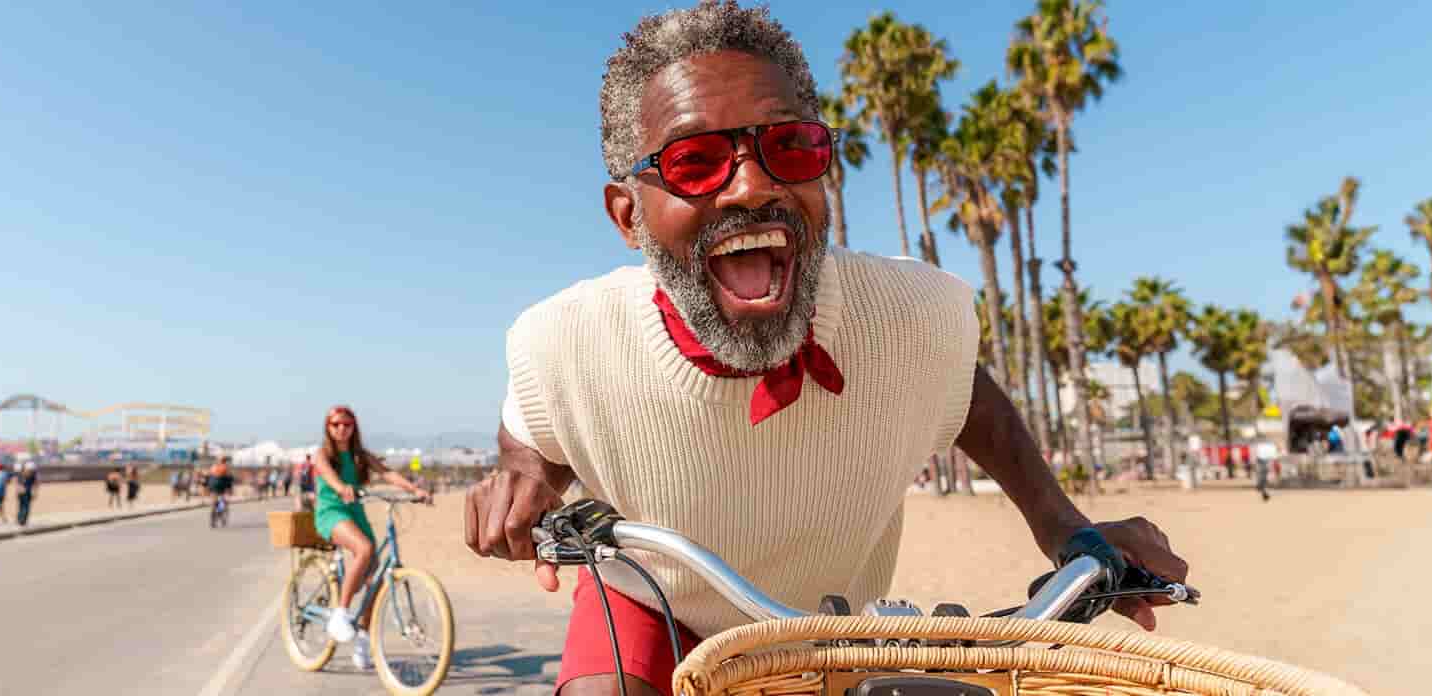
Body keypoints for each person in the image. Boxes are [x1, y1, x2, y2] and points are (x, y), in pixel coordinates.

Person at [462, 6, 1189, 694]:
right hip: (649, 602)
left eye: (789, 147)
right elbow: (534, 431)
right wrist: (520, 482)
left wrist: (1062, 525)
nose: (752, 187)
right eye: (695, 161)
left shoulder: (918, 315)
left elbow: (967, 395)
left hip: (826, 622)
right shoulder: (563, 338)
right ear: (628, 217)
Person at [313, 405, 433, 669]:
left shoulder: (360, 455)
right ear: (328, 428)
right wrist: (341, 487)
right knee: (365, 549)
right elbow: (329, 476)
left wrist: (414, 490)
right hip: (331, 511)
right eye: (335, 424)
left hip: (356, 512)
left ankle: (364, 640)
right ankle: (340, 613)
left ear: (354, 427)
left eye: (347, 424)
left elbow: (386, 473)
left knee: (375, 577)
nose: (341, 429)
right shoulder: (322, 455)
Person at [15, 454, 40, 526]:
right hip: (26, 492)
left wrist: (17, 490)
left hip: (22, 492)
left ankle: (20, 520)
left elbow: (17, 483)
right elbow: (36, 484)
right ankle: (22, 520)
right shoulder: (32, 475)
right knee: (25, 506)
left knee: (22, 506)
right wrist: (35, 492)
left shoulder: (20, 474)